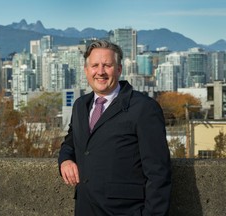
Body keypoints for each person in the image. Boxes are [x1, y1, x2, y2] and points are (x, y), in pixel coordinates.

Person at [58, 40, 171, 216]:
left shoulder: (144, 108)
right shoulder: (80, 105)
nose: (100, 72)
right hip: (85, 209)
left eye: (107, 65)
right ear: (86, 71)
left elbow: (158, 173)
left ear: (119, 69)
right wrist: (65, 160)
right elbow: (71, 142)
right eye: (95, 65)